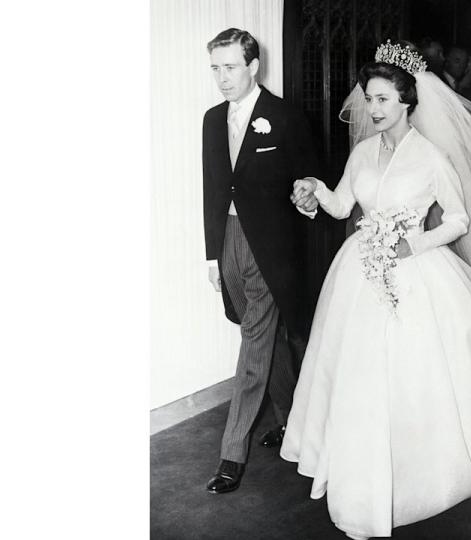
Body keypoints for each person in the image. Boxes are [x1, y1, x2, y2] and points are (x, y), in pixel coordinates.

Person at [280, 40, 471, 540]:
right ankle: (356, 464)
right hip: (359, 271)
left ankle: (422, 472)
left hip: (416, 272)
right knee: (356, 369)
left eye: (384, 99)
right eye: (369, 98)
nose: (373, 109)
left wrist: (416, 245)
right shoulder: (364, 152)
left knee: (416, 371)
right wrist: (312, 190)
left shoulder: (432, 157)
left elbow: (457, 220)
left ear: (408, 101)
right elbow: (342, 204)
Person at [201, 28, 320, 494]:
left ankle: (232, 453)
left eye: (230, 67)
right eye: (215, 67)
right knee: (262, 332)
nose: (222, 78)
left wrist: (307, 191)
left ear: (254, 66)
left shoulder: (285, 115)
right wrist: (211, 256)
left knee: (253, 345)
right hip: (228, 238)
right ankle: (292, 421)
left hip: (270, 245)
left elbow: (310, 173)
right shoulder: (212, 120)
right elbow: (212, 191)